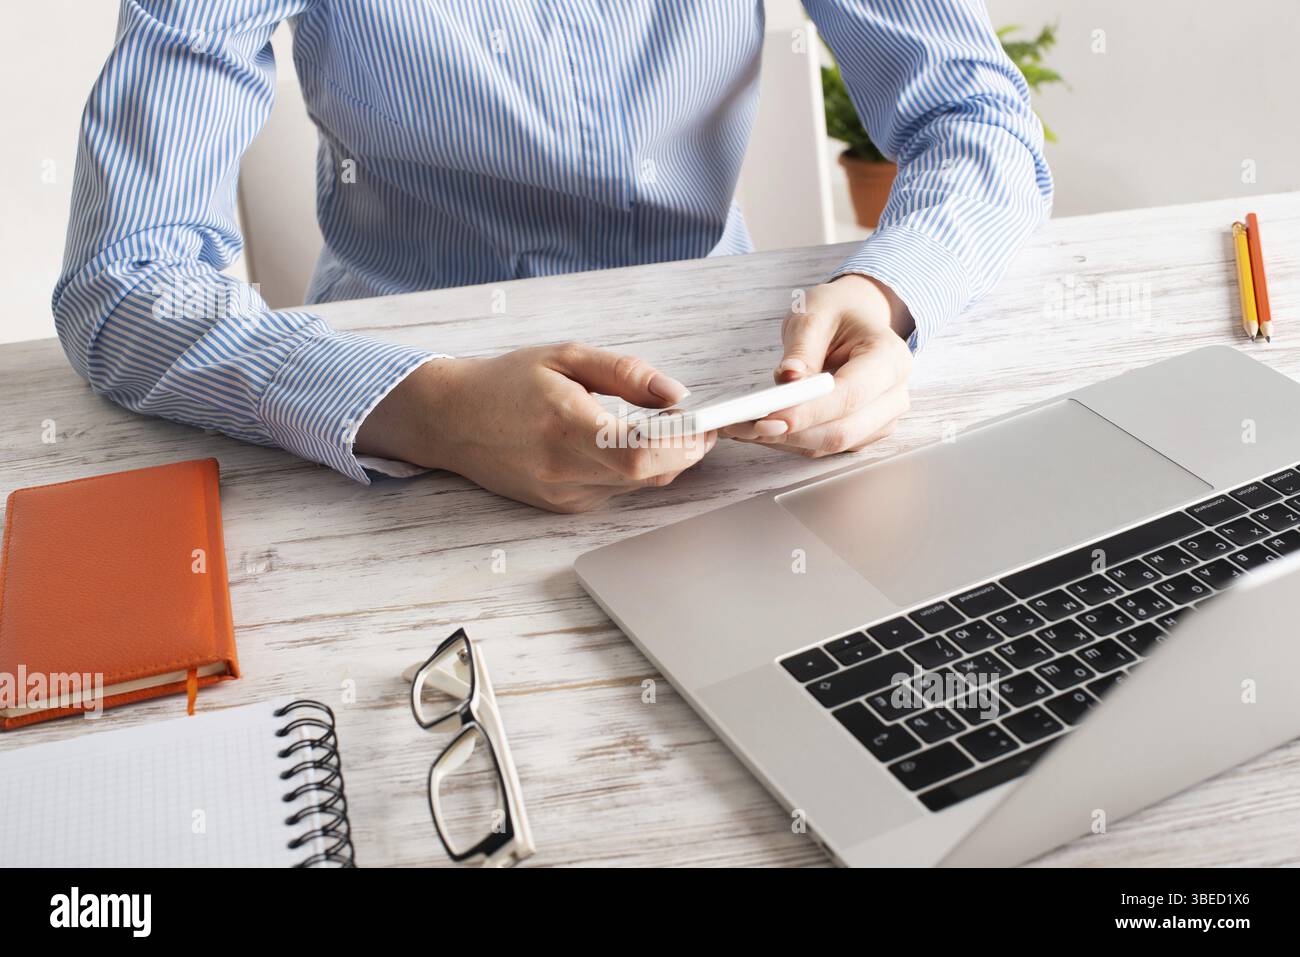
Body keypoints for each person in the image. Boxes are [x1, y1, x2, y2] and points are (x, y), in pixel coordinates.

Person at [54, 1, 1051, 512]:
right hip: (388, 441)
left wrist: (888, 292)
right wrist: (427, 410)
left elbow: (978, 119)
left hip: (731, 404)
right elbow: (127, 280)